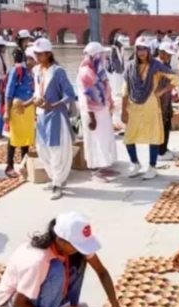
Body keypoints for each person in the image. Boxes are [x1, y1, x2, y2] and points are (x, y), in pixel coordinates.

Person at [0, 211, 128, 307]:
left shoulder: (71, 247)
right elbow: (18, 303)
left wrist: (115, 306)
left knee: (79, 260)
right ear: (60, 239)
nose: (79, 249)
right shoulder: (38, 260)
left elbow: (101, 271)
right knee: (56, 269)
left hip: (29, 298)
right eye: (77, 245)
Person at [122, 36, 179, 180]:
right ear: (135, 50)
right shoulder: (130, 66)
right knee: (129, 137)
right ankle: (135, 163)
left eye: (144, 49)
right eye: (139, 49)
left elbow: (176, 79)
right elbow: (125, 89)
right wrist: (123, 110)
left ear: (149, 50)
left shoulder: (156, 66)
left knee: (152, 137)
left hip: (151, 106)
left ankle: (152, 166)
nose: (141, 52)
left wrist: (162, 91)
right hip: (134, 106)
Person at [32, 38, 77, 200]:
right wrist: (25, 105)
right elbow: (36, 93)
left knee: (56, 150)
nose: (37, 57)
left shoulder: (58, 71)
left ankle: (58, 184)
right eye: (35, 54)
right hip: (41, 116)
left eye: (40, 54)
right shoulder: (36, 70)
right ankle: (54, 178)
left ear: (48, 54)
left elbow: (70, 94)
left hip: (56, 117)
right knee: (41, 149)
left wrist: (54, 105)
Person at [76, 42, 118, 183]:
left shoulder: (97, 71)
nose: (104, 58)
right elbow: (88, 97)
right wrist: (92, 118)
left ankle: (103, 166)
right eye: (101, 55)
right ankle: (94, 171)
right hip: (92, 112)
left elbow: (105, 88)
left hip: (101, 110)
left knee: (104, 139)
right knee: (94, 140)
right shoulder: (86, 73)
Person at [4, 47, 38, 178]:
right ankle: (9, 165)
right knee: (14, 137)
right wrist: (7, 112)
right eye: (33, 59)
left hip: (29, 108)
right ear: (28, 58)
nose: (35, 62)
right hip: (17, 107)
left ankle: (24, 164)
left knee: (26, 138)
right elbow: (9, 92)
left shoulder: (34, 72)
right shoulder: (18, 70)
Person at [156, 42, 177, 161]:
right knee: (161, 126)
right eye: (168, 54)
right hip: (159, 101)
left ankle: (164, 147)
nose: (169, 57)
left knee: (166, 125)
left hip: (166, 101)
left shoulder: (166, 66)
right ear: (161, 53)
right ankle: (160, 152)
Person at [106, 38, 126, 135]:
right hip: (116, 80)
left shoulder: (116, 52)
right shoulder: (114, 51)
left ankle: (119, 124)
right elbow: (114, 67)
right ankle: (117, 124)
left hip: (118, 80)